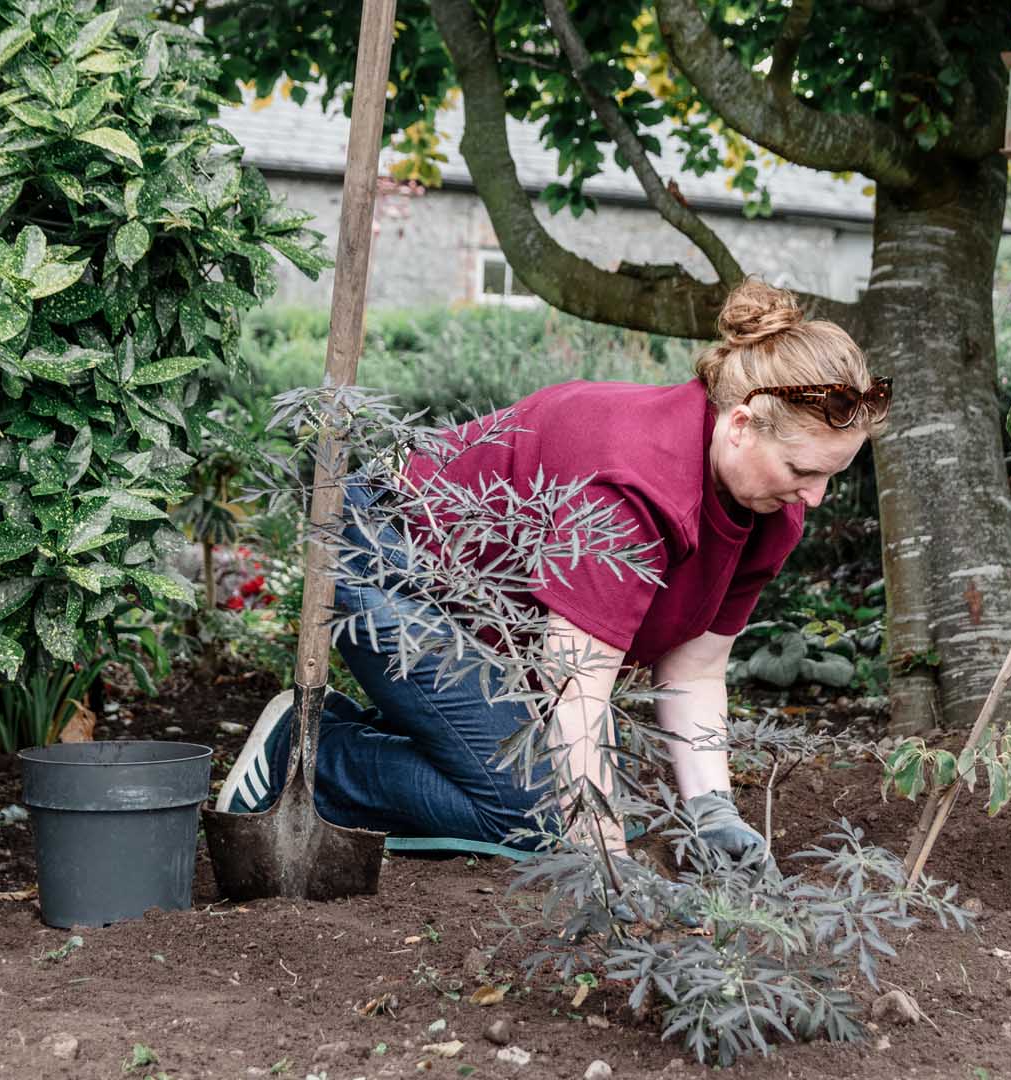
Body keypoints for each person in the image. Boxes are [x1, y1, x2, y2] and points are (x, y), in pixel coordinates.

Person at [217, 279, 890, 863]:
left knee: (584, 781)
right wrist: (607, 860)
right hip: (382, 552)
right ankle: (309, 755)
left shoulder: (772, 509)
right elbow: (578, 685)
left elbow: (695, 669)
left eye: (831, 475)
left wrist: (714, 812)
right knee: (536, 815)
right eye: (803, 470)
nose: (815, 497)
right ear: (740, 424)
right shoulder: (636, 485)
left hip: (481, 617)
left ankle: (409, 731)